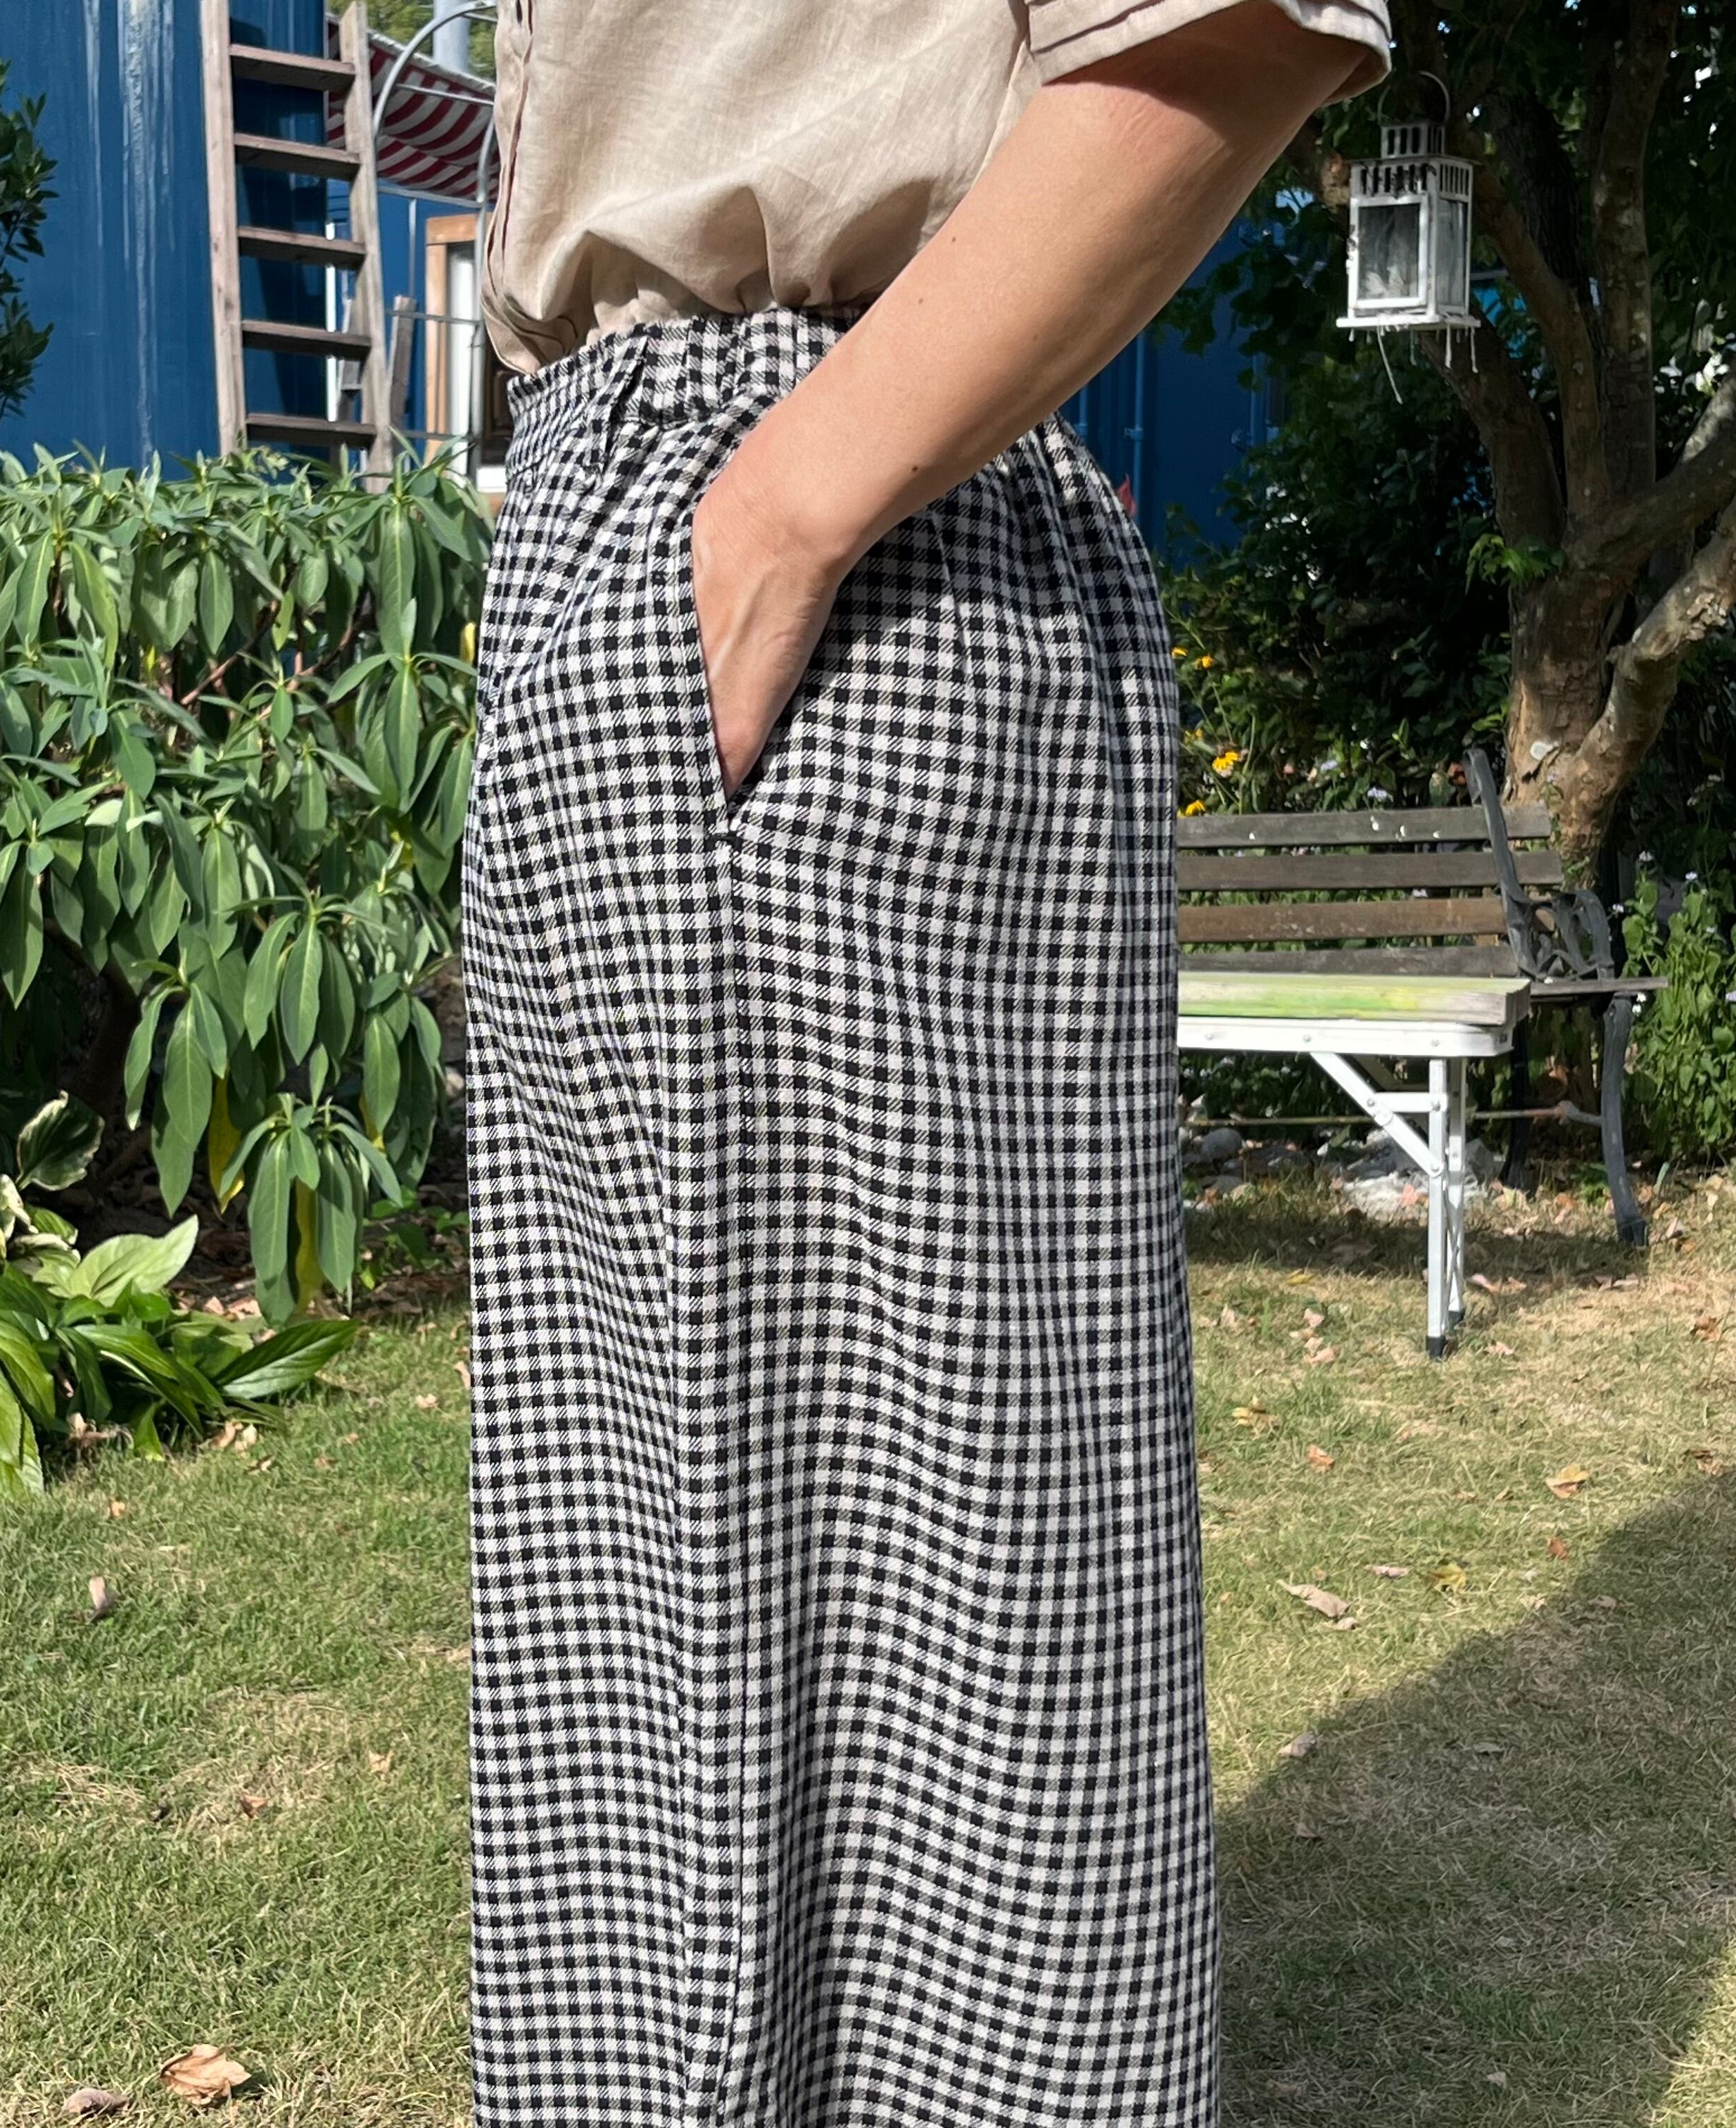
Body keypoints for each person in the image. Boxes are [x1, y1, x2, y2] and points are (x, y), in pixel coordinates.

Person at [460, 2, 1390, 2122]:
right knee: (656, 1550)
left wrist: (786, 507)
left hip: (835, 539)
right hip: (692, 522)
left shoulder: (791, 494)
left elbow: (1238, 32)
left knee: (947, 1547)